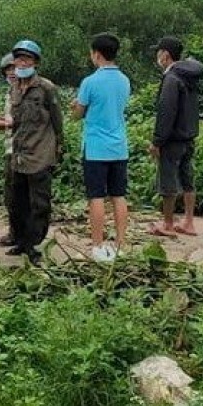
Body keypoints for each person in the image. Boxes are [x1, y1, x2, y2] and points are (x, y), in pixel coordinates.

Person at [71, 32, 131, 262]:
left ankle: (97, 245)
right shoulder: (124, 80)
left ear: (96, 54)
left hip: (96, 147)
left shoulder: (90, 82)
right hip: (119, 146)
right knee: (119, 196)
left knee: (96, 197)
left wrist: (75, 106)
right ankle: (120, 245)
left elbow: (78, 114)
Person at [5, 39, 63, 264]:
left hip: (40, 153)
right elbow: (15, 121)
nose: (22, 62)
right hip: (18, 153)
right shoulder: (14, 88)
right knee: (17, 202)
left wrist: (59, 148)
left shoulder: (47, 88)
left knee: (39, 203)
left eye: (27, 58)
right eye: (19, 58)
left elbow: (58, 122)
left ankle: (34, 245)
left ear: (36, 62)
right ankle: (20, 241)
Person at [148, 37, 203, 238]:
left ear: (165, 55)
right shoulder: (188, 75)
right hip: (188, 135)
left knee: (168, 181)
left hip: (172, 139)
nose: (157, 56)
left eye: (159, 52)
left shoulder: (171, 79)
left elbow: (166, 112)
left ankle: (168, 223)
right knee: (187, 178)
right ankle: (188, 221)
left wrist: (157, 141)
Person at [0, 53, 19, 246]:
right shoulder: (10, 92)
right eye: (7, 70)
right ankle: (15, 232)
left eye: (14, 69)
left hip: (20, 150)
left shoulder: (25, 92)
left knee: (16, 194)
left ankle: (18, 235)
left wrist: (1, 124)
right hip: (10, 146)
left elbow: (20, 122)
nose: (11, 73)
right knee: (10, 194)